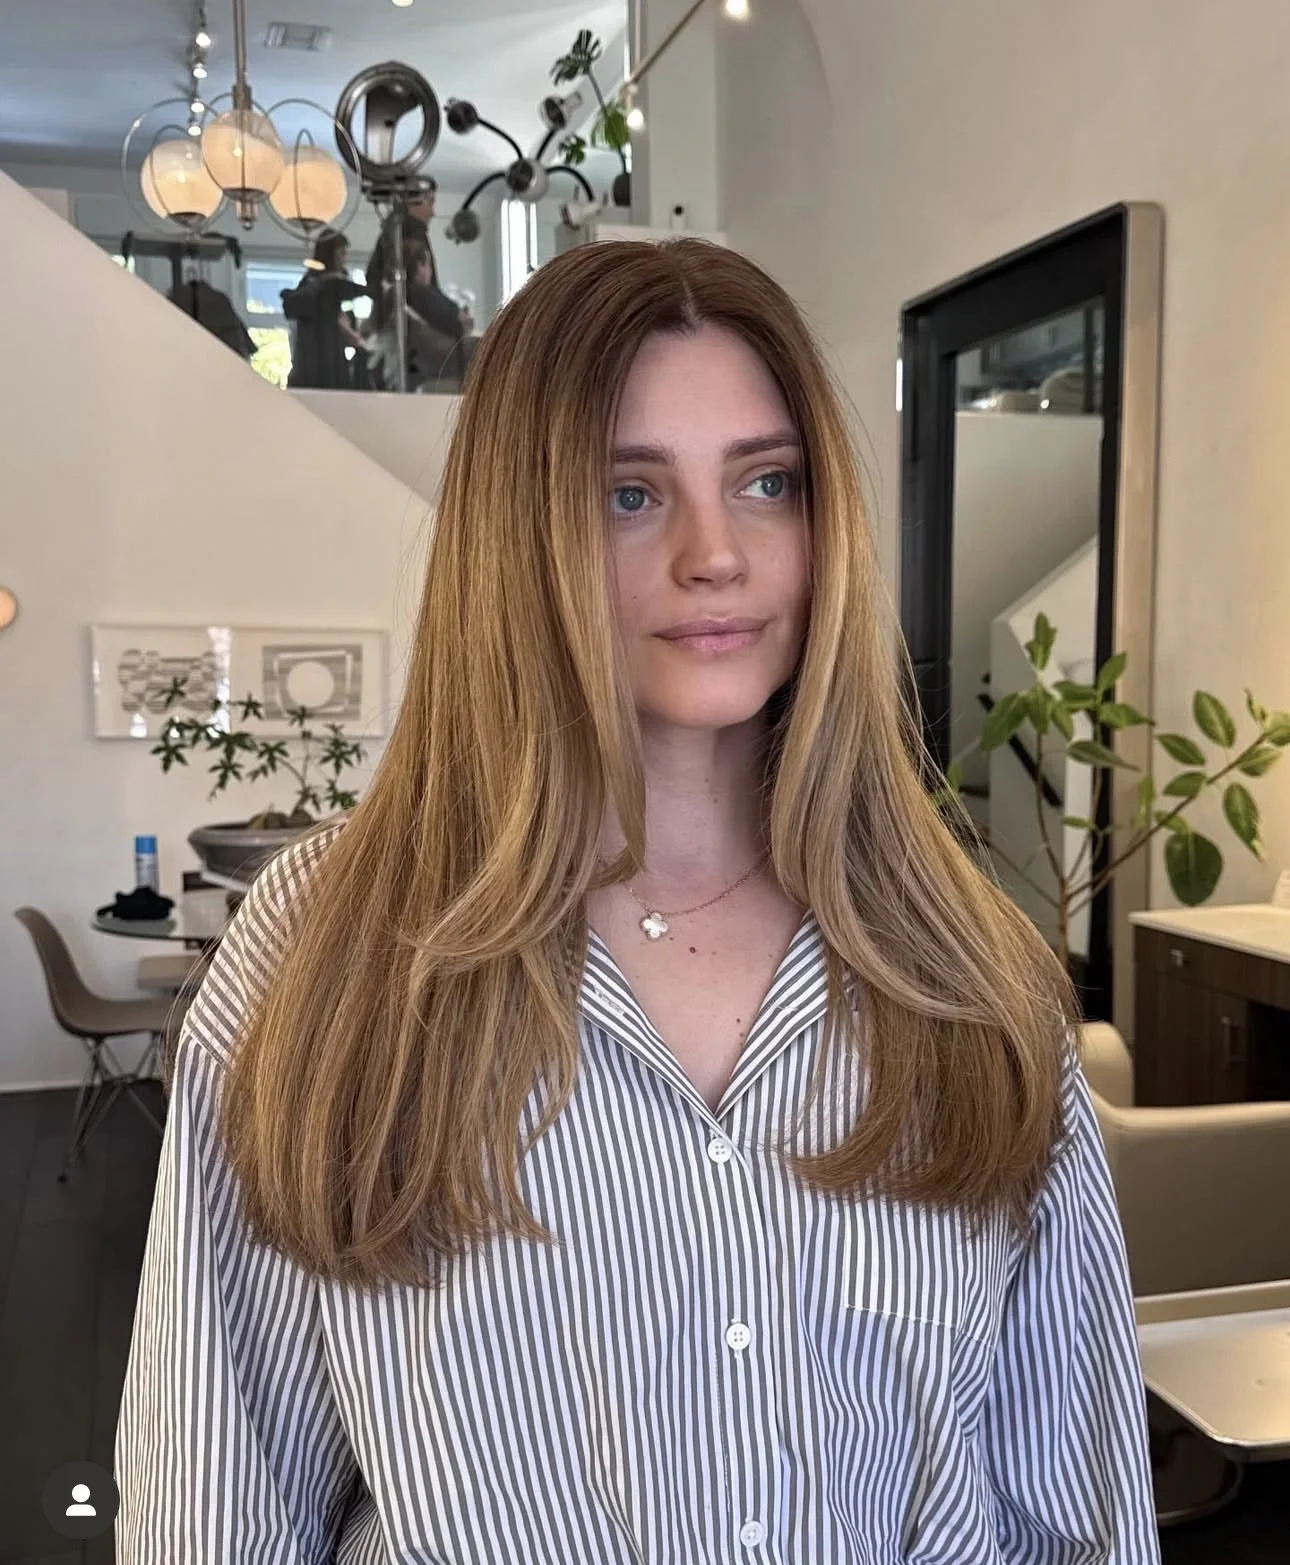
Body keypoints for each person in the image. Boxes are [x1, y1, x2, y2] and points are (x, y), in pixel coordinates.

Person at [114, 238, 1161, 1562]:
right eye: (628, 493)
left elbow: (1072, 1490)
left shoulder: (963, 961)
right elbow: (216, 1496)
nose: (715, 554)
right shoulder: (327, 949)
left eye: (767, 482)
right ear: (519, 538)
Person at [363, 237, 464, 391]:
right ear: (419, 266)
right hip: (424, 376)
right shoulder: (418, 295)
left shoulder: (390, 299)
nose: (430, 271)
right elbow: (455, 322)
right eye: (428, 265)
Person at [280, 228, 367, 390]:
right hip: (316, 362)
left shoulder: (328, 288)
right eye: (342, 254)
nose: (345, 260)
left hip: (333, 359)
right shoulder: (314, 288)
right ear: (331, 254)